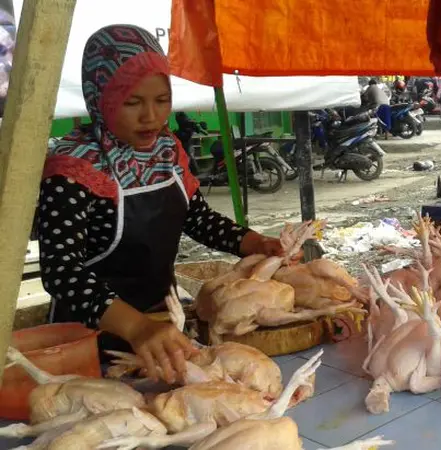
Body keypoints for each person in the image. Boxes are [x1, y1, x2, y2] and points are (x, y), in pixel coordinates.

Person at [38, 25, 295, 385]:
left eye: (162, 100)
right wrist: (135, 327)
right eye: (132, 102)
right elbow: (61, 271)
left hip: (163, 325)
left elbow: (197, 218)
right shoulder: (72, 168)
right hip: (84, 344)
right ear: (101, 98)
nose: (151, 116)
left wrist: (255, 243)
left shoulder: (165, 151)